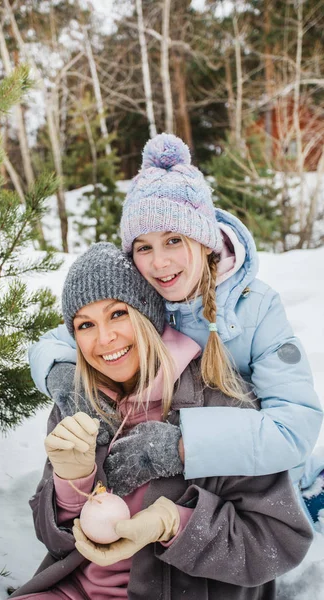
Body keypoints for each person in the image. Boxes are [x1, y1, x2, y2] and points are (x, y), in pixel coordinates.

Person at [28, 134, 323, 525]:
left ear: (203, 240)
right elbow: (57, 340)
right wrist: (64, 377)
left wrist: (181, 446)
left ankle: (311, 484)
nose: (159, 263)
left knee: (282, 499)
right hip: (188, 486)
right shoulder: (142, 298)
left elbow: (293, 428)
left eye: (173, 240)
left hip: (253, 465)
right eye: (144, 247)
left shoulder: (256, 307)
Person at [10, 242, 312, 600]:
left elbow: (277, 542)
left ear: (148, 314)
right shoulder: (79, 403)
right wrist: (71, 483)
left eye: (118, 314)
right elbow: (54, 541)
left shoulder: (219, 402)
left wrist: (174, 524)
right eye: (85, 324)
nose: (104, 338)